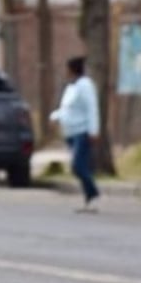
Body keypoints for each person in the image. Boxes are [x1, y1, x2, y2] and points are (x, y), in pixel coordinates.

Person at [50, 56, 101, 212]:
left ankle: (93, 192)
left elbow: (92, 109)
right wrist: (55, 116)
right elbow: (67, 109)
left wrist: (93, 130)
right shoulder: (71, 87)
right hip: (70, 132)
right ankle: (88, 199)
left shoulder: (85, 86)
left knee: (78, 166)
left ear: (73, 69)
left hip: (82, 131)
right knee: (81, 166)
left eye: (67, 69)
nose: (65, 72)